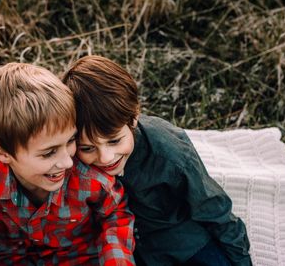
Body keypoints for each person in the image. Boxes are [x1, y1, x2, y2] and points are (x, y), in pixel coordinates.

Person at [62, 55, 252, 266]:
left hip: (181, 240)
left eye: (114, 141)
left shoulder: (170, 154)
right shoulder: (68, 158)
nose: (105, 157)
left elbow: (214, 209)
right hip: (127, 244)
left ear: (133, 118)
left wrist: (241, 260)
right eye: (87, 148)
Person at [0, 63, 135, 265]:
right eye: (49, 153)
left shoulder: (92, 180)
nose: (67, 161)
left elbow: (116, 217)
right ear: (2, 152)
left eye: (71, 141)